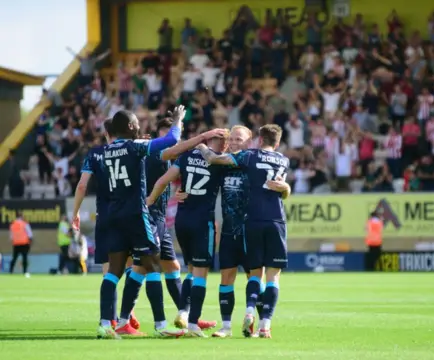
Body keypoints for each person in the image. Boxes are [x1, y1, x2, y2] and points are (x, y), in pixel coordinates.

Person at [96, 106, 217, 339]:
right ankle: (161, 325)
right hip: (136, 214)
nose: (140, 127)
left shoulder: (107, 150)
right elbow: (171, 139)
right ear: (131, 127)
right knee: (151, 266)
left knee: (113, 271)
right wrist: (180, 120)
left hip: (114, 214)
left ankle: (105, 324)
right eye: (136, 124)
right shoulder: (136, 146)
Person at [197, 124, 290, 339]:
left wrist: (286, 188)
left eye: (240, 139)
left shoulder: (249, 158)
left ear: (252, 141)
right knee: (228, 277)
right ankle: (227, 326)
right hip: (232, 229)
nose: (235, 142)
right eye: (233, 139)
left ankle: (256, 322)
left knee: (255, 276)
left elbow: (282, 186)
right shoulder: (227, 164)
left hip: (251, 224)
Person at [146, 127, 229, 337]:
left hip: (182, 221)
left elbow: (163, 180)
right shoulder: (220, 160)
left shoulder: (187, 155)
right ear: (224, 145)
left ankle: (183, 311)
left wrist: (149, 201)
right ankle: (193, 324)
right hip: (203, 221)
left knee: (191, 269)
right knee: (201, 272)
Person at [73, 119, 140, 331]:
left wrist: (75, 213)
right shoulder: (130, 149)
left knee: (108, 270)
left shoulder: (94, 153)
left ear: (106, 133)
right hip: (129, 214)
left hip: (106, 217)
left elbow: (82, 184)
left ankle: (109, 319)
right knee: (132, 266)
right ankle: (126, 316)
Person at [9, 211, 32, 277]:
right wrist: (30, 241)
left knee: (14, 258)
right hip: (24, 243)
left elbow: (11, 236)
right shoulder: (24, 224)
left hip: (16, 243)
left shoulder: (13, 224)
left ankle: (11, 271)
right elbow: (30, 234)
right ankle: (25, 271)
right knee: (24, 258)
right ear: (21, 216)